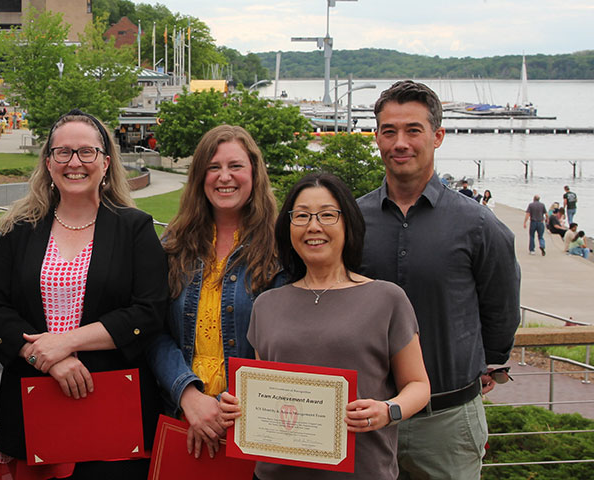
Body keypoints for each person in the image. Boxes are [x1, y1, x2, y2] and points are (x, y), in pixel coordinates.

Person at [0, 109, 167, 479]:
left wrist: (64, 343)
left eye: (87, 152)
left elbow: (149, 311)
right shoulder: (20, 230)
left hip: (112, 411)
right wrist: (45, 357)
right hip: (35, 403)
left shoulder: (135, 229)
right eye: (63, 152)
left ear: (106, 162)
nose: (74, 163)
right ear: (48, 163)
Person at [357, 80, 520, 480]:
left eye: (413, 130)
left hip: (447, 422)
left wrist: (488, 363)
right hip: (369, 421)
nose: (400, 143)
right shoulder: (354, 221)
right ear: (376, 137)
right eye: (389, 131)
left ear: (438, 136)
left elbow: (501, 308)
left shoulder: (478, 224)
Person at [220, 172, 430, 479]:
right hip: (278, 473)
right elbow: (263, 389)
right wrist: (237, 407)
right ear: (289, 227)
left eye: (327, 215)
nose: (313, 226)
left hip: (363, 471)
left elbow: (419, 385)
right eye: (302, 216)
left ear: (348, 224)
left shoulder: (386, 299)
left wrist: (388, 411)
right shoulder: (266, 305)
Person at [145, 125, 284, 458]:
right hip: (180, 416)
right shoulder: (173, 247)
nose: (225, 177)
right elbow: (153, 331)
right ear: (199, 176)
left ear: (254, 172)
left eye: (235, 166)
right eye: (213, 167)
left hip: (254, 423)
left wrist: (221, 409)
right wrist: (188, 396)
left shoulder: (280, 252)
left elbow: (286, 344)